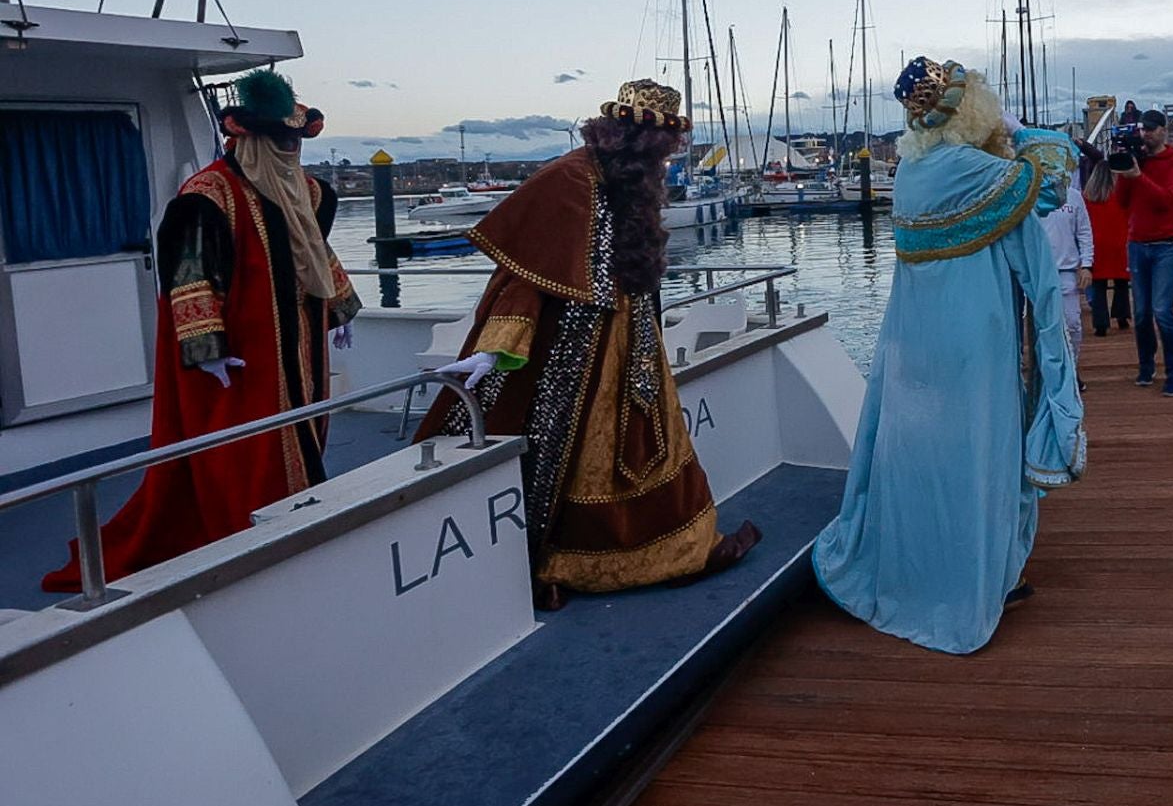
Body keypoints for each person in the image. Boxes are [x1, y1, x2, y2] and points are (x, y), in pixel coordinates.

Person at [415, 80, 758, 610]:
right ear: (639, 141)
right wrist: (496, 345)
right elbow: (524, 274)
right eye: (663, 150)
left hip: (630, 338)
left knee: (643, 438)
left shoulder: (625, 180)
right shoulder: (570, 180)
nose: (666, 162)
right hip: (571, 354)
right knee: (576, 450)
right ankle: (580, 558)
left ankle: (669, 547)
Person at [46, 70, 361, 591]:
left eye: (295, 140)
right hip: (241, 348)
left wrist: (339, 309)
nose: (289, 149)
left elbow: (315, 252)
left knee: (305, 423)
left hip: (299, 335)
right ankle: (260, 533)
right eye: (280, 140)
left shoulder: (306, 191)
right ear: (251, 138)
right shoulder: (209, 195)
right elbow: (189, 275)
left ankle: (306, 514)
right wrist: (206, 346)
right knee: (249, 446)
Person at [813, 58, 1084, 654]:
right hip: (974, 339)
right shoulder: (980, 170)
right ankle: (975, 579)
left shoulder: (911, 170)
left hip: (911, 338)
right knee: (978, 452)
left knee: (918, 456)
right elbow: (1056, 169)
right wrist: (1013, 137)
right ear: (972, 109)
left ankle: (912, 568)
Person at [1114, 108, 1173, 396]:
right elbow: (1122, 202)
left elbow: (1167, 201)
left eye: (1151, 129)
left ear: (1164, 131)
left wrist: (1139, 176)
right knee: (1142, 313)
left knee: (1162, 311)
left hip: (1166, 244)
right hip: (1137, 243)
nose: (1146, 134)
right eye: (1143, 129)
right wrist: (1126, 173)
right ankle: (1146, 366)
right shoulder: (1139, 160)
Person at [1040, 175, 1094, 366]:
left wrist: (1087, 265)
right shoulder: (1032, 197)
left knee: (1072, 323)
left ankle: (1072, 367)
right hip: (1039, 272)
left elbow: (1084, 232)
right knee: (1044, 325)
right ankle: (1048, 372)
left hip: (1067, 270)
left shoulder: (1074, 196)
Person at [1081, 159, 1131, 337]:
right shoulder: (1119, 195)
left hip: (1096, 244)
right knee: (1121, 281)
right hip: (1119, 242)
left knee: (1098, 284)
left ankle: (1100, 323)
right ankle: (1122, 315)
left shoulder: (1087, 197)